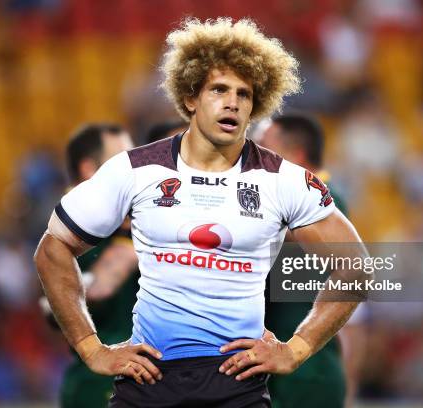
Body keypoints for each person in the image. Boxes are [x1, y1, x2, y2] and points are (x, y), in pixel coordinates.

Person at [34, 18, 365, 407]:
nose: (232, 103)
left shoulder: (284, 181)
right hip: (147, 379)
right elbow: (52, 249)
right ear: (190, 98)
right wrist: (91, 347)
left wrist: (297, 348)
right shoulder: (134, 170)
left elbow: (355, 268)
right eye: (219, 90)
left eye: (245, 94)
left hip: (237, 385)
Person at [260, 113, 365, 408]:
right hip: (285, 365)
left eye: (264, 147)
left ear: (295, 155)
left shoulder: (323, 203)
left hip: (304, 371)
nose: (254, 157)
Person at [44, 124, 139, 408]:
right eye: (122, 160)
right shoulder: (73, 230)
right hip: (102, 384)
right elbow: (66, 303)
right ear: (89, 169)